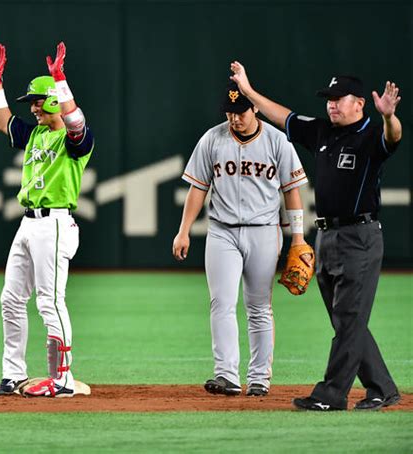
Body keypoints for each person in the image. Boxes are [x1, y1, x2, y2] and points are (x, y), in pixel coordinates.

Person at [230, 61, 402, 410]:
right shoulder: (323, 132)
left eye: (340, 98)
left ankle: (331, 395)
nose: (332, 104)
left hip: (360, 237)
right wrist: (248, 93)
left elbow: (393, 137)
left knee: (350, 319)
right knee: (346, 320)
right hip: (326, 237)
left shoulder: (372, 134)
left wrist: (388, 117)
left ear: (360, 103)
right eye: (329, 98)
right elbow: (284, 116)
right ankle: (382, 387)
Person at [172, 80, 310, 396]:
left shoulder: (277, 142)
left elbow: (292, 192)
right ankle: (227, 376)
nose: (235, 118)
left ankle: (260, 378)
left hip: (264, 231)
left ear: (255, 108)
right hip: (222, 231)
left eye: (241, 111)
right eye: (230, 112)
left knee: (259, 306)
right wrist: (183, 231)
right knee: (221, 302)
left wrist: (298, 238)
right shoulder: (213, 139)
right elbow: (198, 188)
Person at [0, 42, 95, 397]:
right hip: (29, 222)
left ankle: (63, 378)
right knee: (10, 299)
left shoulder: (72, 137)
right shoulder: (35, 133)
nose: (33, 106)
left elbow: (76, 121)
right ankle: (13, 374)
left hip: (54, 222)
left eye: (37, 99)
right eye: (31, 101)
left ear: (52, 99)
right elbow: (4, 122)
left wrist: (60, 80)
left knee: (49, 300)